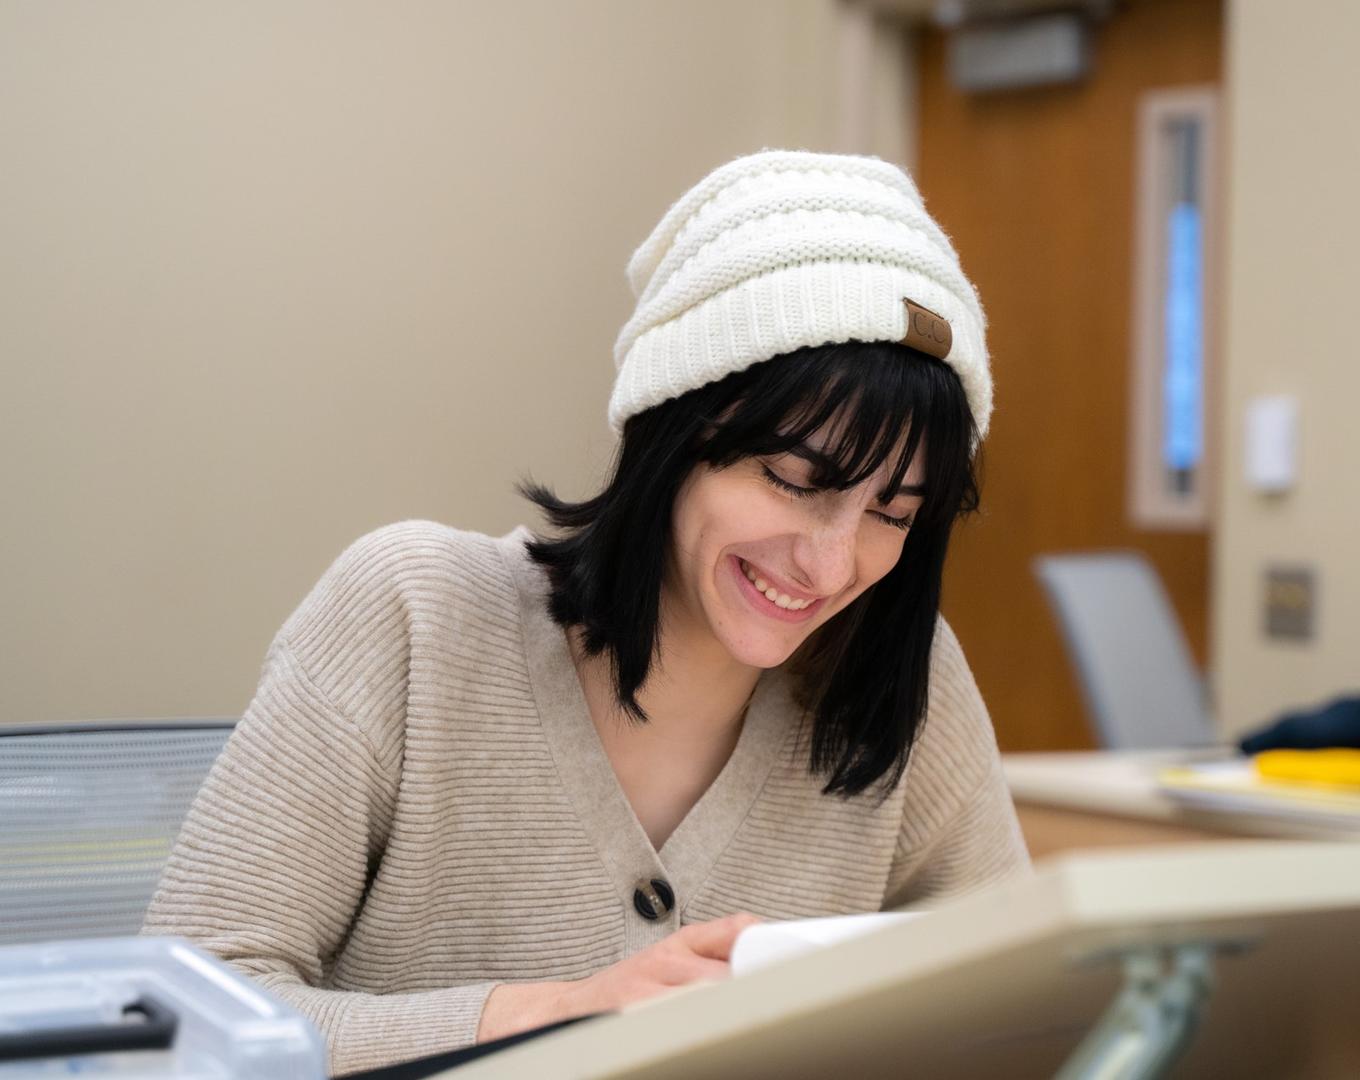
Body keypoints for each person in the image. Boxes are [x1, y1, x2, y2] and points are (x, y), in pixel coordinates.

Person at [142, 149, 1030, 1074]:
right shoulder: (412, 613)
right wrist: (560, 1014)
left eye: (893, 513)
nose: (833, 563)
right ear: (673, 428)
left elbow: (1020, 1012)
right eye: (795, 482)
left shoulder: (901, 671)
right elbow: (170, 1025)